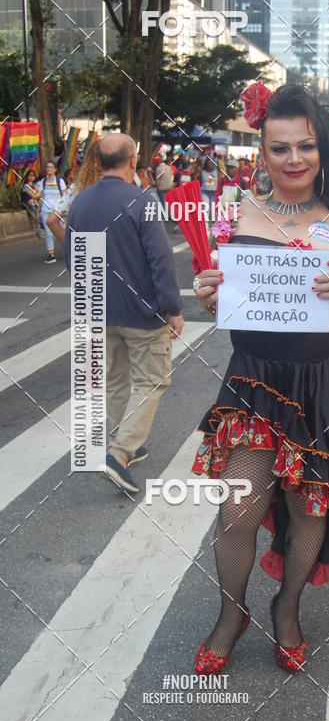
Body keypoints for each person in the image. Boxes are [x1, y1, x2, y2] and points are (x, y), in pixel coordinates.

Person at [191, 83, 329, 675]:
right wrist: (207, 293)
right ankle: (231, 614)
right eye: (279, 148)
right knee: (237, 512)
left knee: (310, 511)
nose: (293, 159)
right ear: (263, 151)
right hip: (255, 383)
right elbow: (221, 297)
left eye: (305, 146)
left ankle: (287, 607)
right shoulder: (237, 212)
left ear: (322, 147)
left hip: (325, 385)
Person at [65, 134, 184, 494]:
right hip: (142, 312)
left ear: (99, 161)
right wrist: (173, 307)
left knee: (116, 380)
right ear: (133, 160)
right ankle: (120, 453)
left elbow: (74, 260)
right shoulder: (141, 200)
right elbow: (160, 259)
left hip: (99, 310)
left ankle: (125, 440)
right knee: (152, 381)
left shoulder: (80, 202)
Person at [46, 142, 103, 247]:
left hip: (87, 245)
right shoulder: (120, 188)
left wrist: (69, 245)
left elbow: (51, 220)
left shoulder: (78, 187)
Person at [36, 161, 67, 263]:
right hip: (45, 210)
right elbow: (41, 197)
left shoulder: (60, 181)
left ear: (55, 169)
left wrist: (65, 210)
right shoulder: (43, 182)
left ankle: (67, 250)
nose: (49, 169)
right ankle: (51, 255)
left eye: (51, 167)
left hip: (58, 210)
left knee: (61, 231)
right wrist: (38, 212)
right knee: (49, 233)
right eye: (47, 167)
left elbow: (65, 196)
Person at [20, 170, 44, 238]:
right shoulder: (26, 186)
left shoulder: (35, 185)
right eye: (30, 175)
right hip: (28, 203)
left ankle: (43, 228)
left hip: (35, 202)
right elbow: (35, 196)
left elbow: (40, 195)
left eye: (33, 175)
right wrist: (36, 198)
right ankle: (40, 229)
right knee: (36, 211)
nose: (32, 176)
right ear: (27, 176)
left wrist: (36, 198)